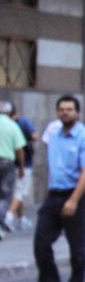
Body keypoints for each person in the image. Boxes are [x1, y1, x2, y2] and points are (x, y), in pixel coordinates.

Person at [30, 95, 85, 282]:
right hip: (54, 195)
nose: (65, 113)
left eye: (69, 109)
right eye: (61, 109)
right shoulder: (55, 136)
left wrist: (73, 200)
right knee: (41, 243)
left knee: (77, 248)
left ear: (77, 113)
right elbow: (52, 168)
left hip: (76, 195)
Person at [7, 103, 38, 232]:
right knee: (20, 193)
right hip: (23, 164)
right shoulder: (22, 121)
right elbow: (35, 136)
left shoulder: (5, 124)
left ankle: (21, 218)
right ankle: (8, 217)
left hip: (7, 162)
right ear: (17, 112)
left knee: (15, 192)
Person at [0, 101, 26, 237]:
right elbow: (19, 149)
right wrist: (21, 167)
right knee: (4, 196)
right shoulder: (12, 126)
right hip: (6, 163)